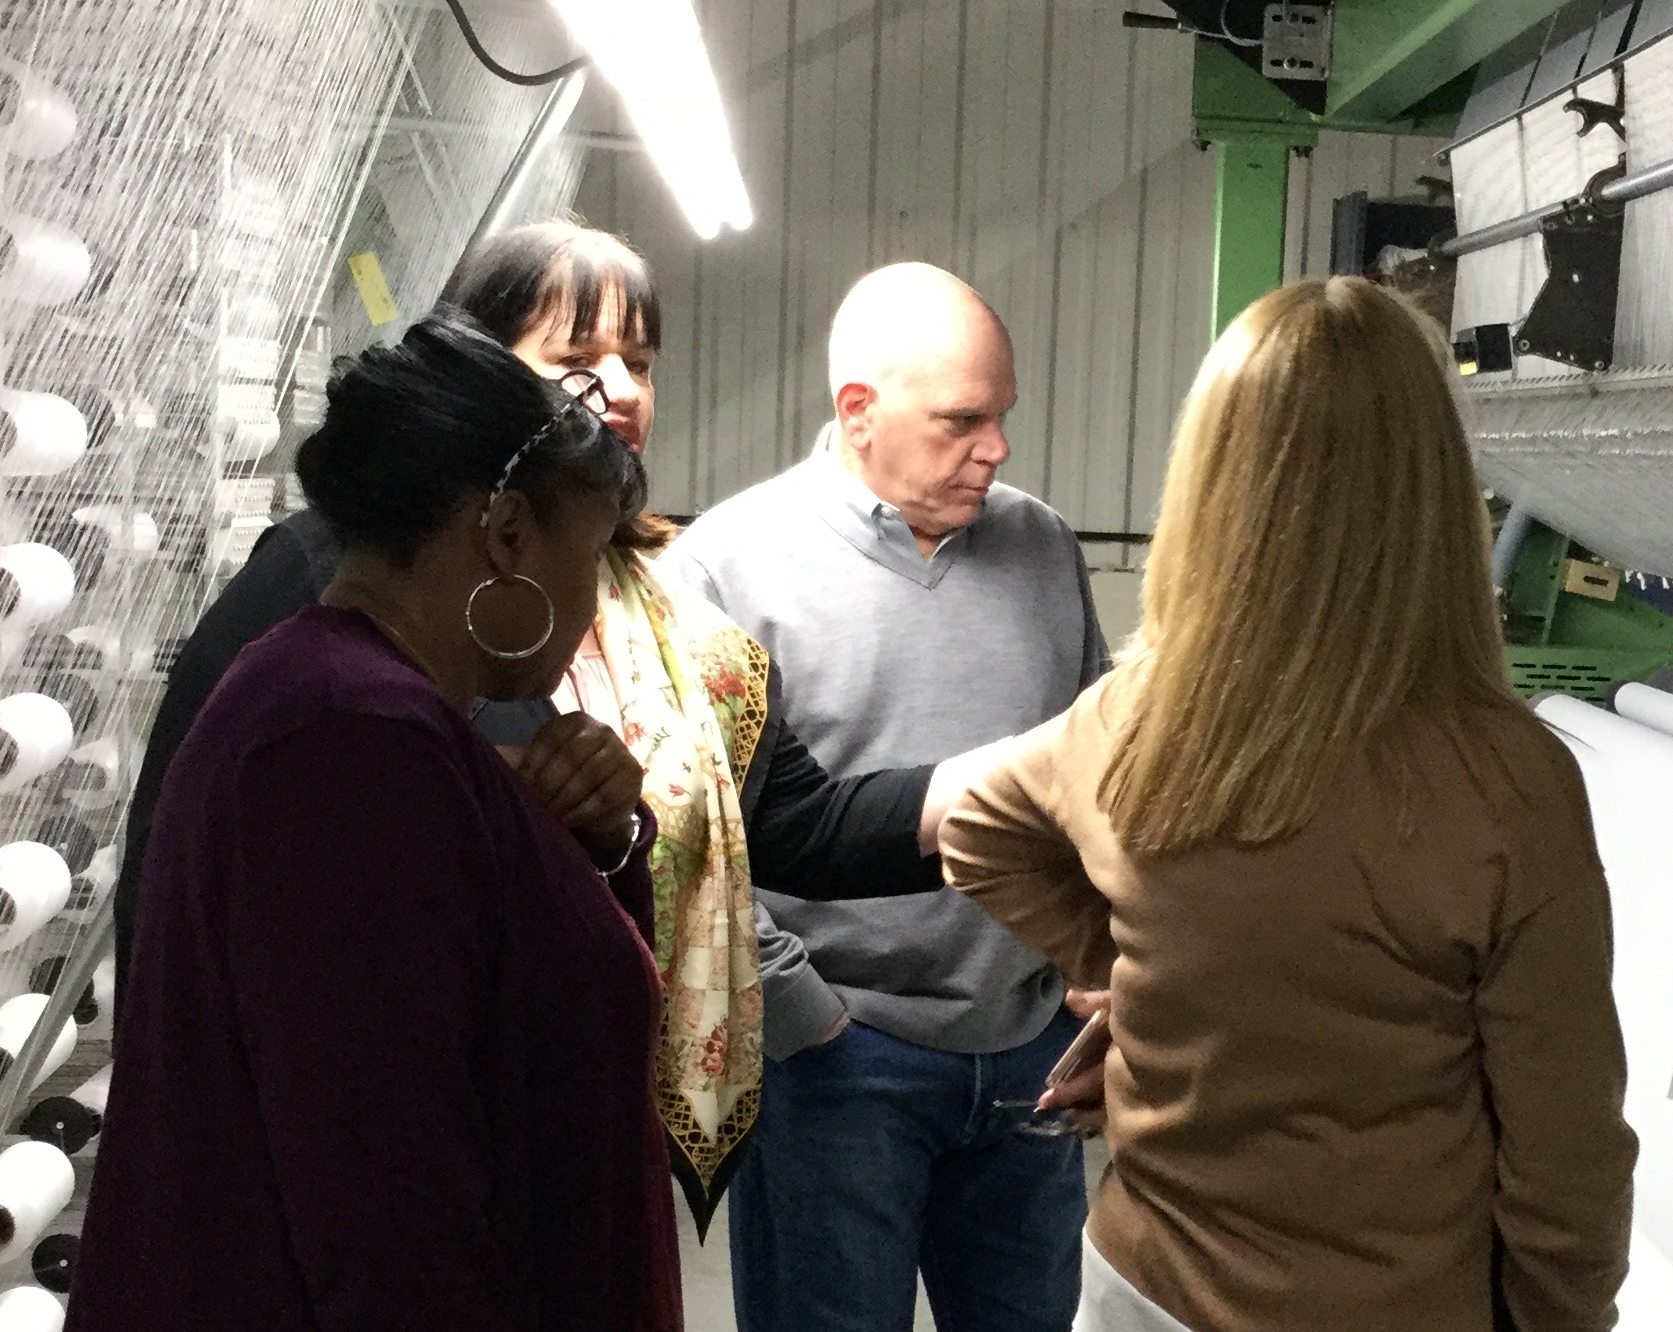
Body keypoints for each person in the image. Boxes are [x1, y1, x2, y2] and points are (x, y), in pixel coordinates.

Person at [112, 221, 994, 1222]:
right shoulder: (345, 599)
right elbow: (189, 890)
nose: (619, 389)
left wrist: (1017, 787)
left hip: (540, 1145)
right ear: (479, 381)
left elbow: (793, 822)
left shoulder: (667, 618)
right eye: (575, 360)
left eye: (640, 361)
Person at [938, 277, 1638, 1332]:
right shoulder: (1510, 785)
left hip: (1139, 1288)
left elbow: (973, 826)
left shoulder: (1126, 722)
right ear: (1433, 492)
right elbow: (1565, 1162)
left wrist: (1127, 963)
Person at [72, 317, 676, 1328]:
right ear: (509, 532)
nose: (593, 596)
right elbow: (389, 1207)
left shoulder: (361, 706)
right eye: (594, 552)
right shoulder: (350, 738)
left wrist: (598, 840)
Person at [660, 262, 1107, 1332]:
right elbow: (694, 841)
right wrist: (809, 1023)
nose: (994, 447)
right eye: (962, 420)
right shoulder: (723, 567)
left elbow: (1099, 777)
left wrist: (1100, 974)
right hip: (839, 1064)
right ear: (858, 411)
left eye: (1000, 418)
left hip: (1028, 1057)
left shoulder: (1040, 545)